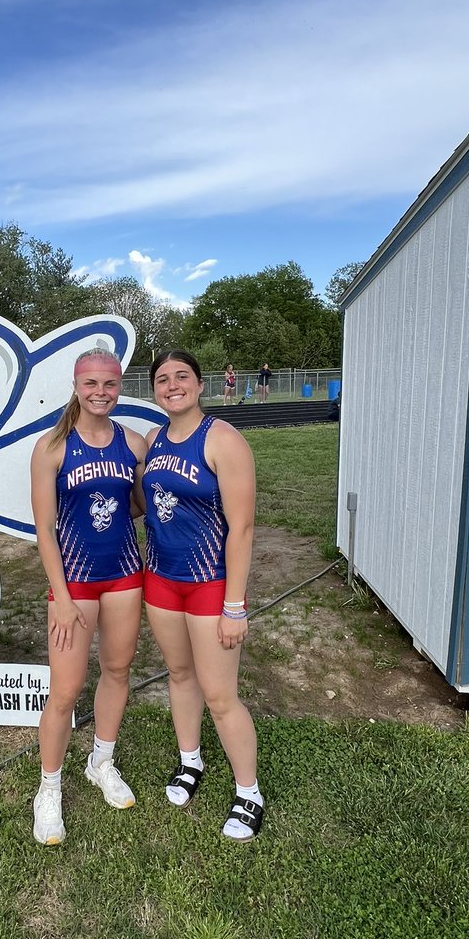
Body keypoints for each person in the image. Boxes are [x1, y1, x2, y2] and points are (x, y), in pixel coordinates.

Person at [142, 350, 263, 840]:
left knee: (219, 694)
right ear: (155, 389)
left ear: (200, 383)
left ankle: (248, 791)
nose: (173, 385)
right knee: (179, 673)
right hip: (162, 580)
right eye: (163, 379)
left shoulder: (223, 440)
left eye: (182, 377)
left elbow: (243, 528)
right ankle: (190, 761)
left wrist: (235, 605)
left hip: (210, 582)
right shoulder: (151, 439)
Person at [29, 348, 147, 846]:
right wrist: (61, 593)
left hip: (123, 574)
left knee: (117, 671)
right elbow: (44, 528)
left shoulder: (134, 443)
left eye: (110, 385)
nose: (101, 393)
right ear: (76, 386)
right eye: (91, 384)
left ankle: (101, 760)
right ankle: (48, 788)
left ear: (120, 387)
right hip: (74, 583)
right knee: (65, 690)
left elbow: (143, 504)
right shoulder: (52, 447)